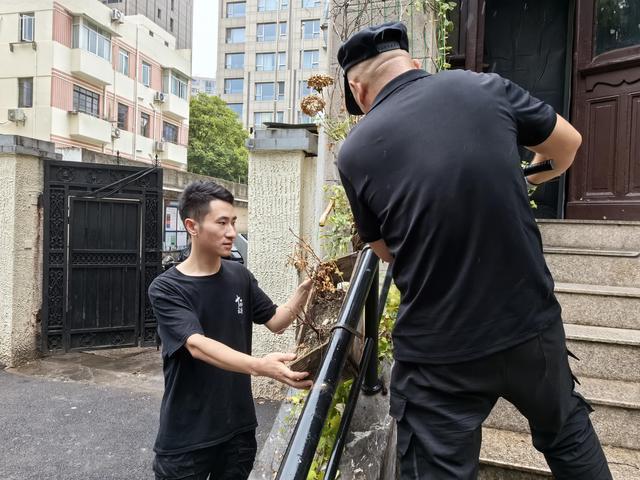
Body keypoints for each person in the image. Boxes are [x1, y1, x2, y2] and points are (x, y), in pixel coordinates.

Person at [336, 22, 611, 479]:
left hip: (438, 351)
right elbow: (569, 144)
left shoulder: (355, 150)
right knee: (567, 434)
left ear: (357, 89)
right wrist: (532, 176)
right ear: (417, 66)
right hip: (528, 325)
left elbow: (385, 249)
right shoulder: (484, 88)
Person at [148, 180, 313, 480]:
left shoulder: (239, 275)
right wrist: (261, 366)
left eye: (234, 222)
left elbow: (276, 321)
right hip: (186, 440)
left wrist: (307, 290)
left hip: (237, 432)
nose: (232, 233)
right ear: (192, 226)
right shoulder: (166, 288)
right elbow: (196, 345)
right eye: (222, 222)